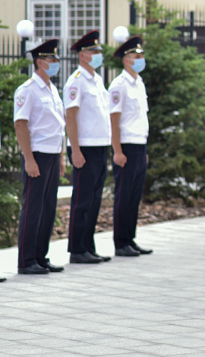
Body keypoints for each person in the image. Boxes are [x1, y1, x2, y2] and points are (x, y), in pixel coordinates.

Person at [13, 38, 66, 276]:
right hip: (37, 155)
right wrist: (29, 159)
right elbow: (21, 125)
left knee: (48, 207)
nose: (55, 62)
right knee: (33, 207)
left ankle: (40, 256)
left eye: (56, 58)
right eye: (51, 59)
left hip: (53, 155)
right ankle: (26, 260)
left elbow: (58, 126)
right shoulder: (27, 90)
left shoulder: (53, 89)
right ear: (39, 62)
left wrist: (62, 156)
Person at [64, 31, 113, 265]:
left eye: (99, 52)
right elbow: (70, 117)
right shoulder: (76, 81)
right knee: (82, 200)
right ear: (83, 55)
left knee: (94, 200)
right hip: (84, 147)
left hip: (100, 147)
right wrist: (75, 150)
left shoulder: (97, 79)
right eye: (94, 52)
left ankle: (88, 246)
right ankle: (76, 249)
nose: (98, 55)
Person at [109, 36, 153, 259]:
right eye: (137, 56)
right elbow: (114, 120)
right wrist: (117, 150)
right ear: (126, 60)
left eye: (141, 56)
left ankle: (130, 238)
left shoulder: (139, 82)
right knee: (124, 195)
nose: (141, 59)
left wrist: (143, 150)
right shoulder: (119, 85)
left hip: (138, 145)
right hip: (125, 146)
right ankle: (120, 242)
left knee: (134, 195)